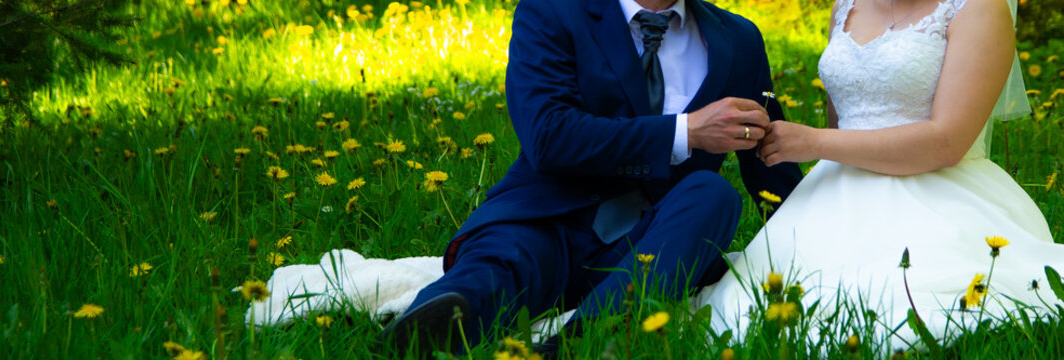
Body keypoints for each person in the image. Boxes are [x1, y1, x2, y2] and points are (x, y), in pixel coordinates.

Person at [378, 0, 803, 355]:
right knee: (501, 264)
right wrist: (685, 132)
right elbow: (548, 136)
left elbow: (772, 162)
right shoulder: (554, 10)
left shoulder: (741, 41)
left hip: (651, 246)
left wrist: (821, 243)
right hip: (547, 218)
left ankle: (583, 340)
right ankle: (434, 325)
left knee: (714, 194)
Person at [696, 0, 1064, 345]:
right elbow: (843, 118)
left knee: (905, 300)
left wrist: (815, 143)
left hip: (939, 191)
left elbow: (948, 142)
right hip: (836, 192)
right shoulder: (846, 7)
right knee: (761, 304)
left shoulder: (978, 9)